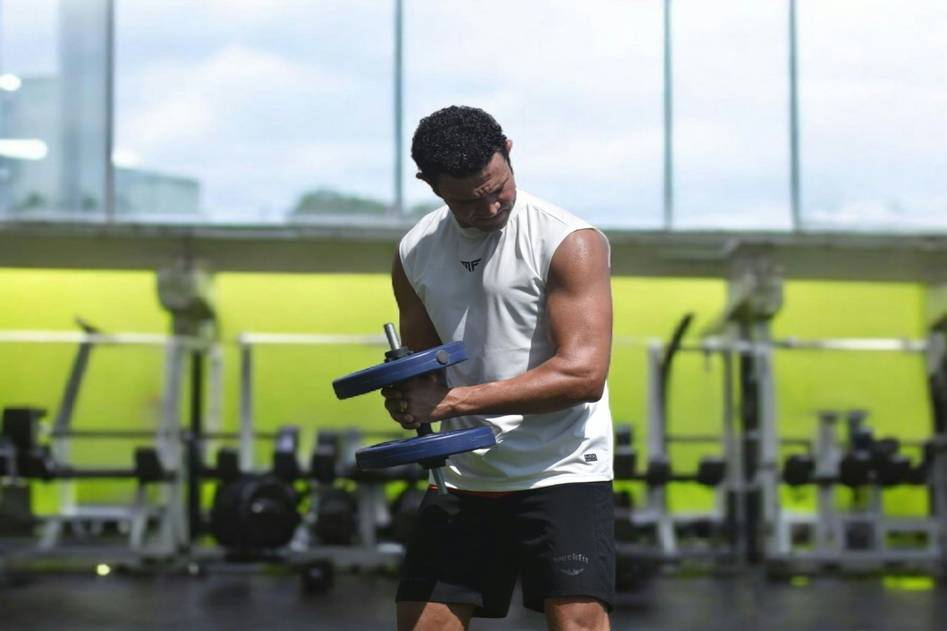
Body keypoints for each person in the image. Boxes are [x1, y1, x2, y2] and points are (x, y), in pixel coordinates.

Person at [382, 105, 614, 631]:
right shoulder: (415, 251)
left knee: (578, 623)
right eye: (468, 200)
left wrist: (453, 401)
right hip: (463, 473)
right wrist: (407, 394)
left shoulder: (568, 241)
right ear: (431, 184)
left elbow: (584, 375)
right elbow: (427, 370)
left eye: (497, 187)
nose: (489, 206)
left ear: (507, 151)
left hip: (562, 468)